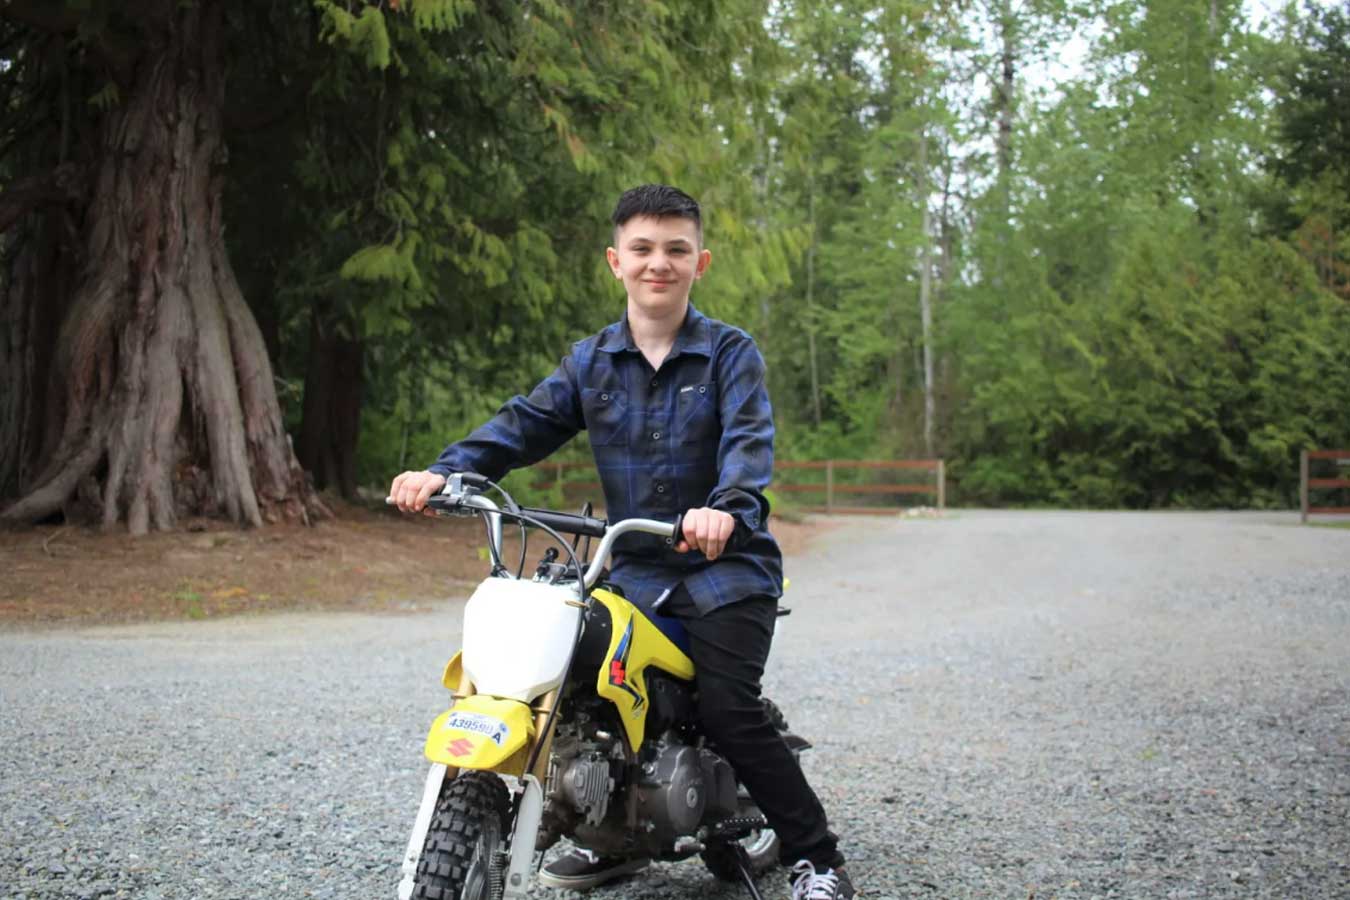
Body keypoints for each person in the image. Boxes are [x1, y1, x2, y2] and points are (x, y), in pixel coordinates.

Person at [389, 184, 855, 900]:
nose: (657, 263)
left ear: (701, 261)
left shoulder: (731, 354)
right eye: (642, 249)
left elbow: (748, 445)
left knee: (729, 709)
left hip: (725, 568)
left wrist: (727, 508)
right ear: (616, 261)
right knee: (574, 681)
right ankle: (613, 837)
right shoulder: (591, 361)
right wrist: (448, 471)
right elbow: (521, 425)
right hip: (631, 566)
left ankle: (817, 859)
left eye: (675, 249)